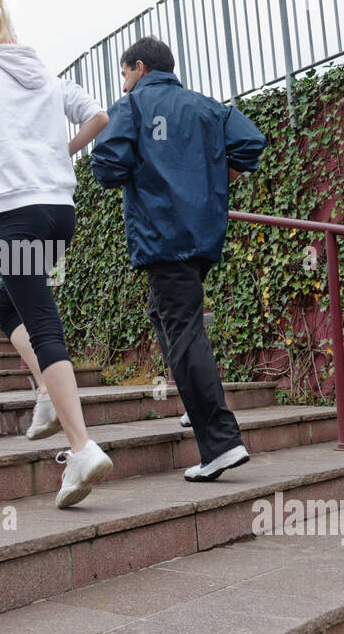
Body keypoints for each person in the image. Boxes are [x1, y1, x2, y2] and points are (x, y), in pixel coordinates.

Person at [0, 0, 113, 507]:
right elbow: (99, 117)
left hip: (14, 214)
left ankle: (81, 447)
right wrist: (57, 156)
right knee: (6, 306)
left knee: (42, 322)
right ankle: (44, 391)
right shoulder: (46, 74)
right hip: (59, 211)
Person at [89, 36, 267, 482]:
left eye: (126, 73)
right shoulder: (208, 107)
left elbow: (106, 165)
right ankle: (196, 403)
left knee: (183, 328)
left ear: (139, 67)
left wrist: (149, 175)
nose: (125, 82)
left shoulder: (133, 106)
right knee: (164, 314)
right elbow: (251, 143)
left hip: (163, 236)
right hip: (202, 234)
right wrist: (211, 182)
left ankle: (222, 444)